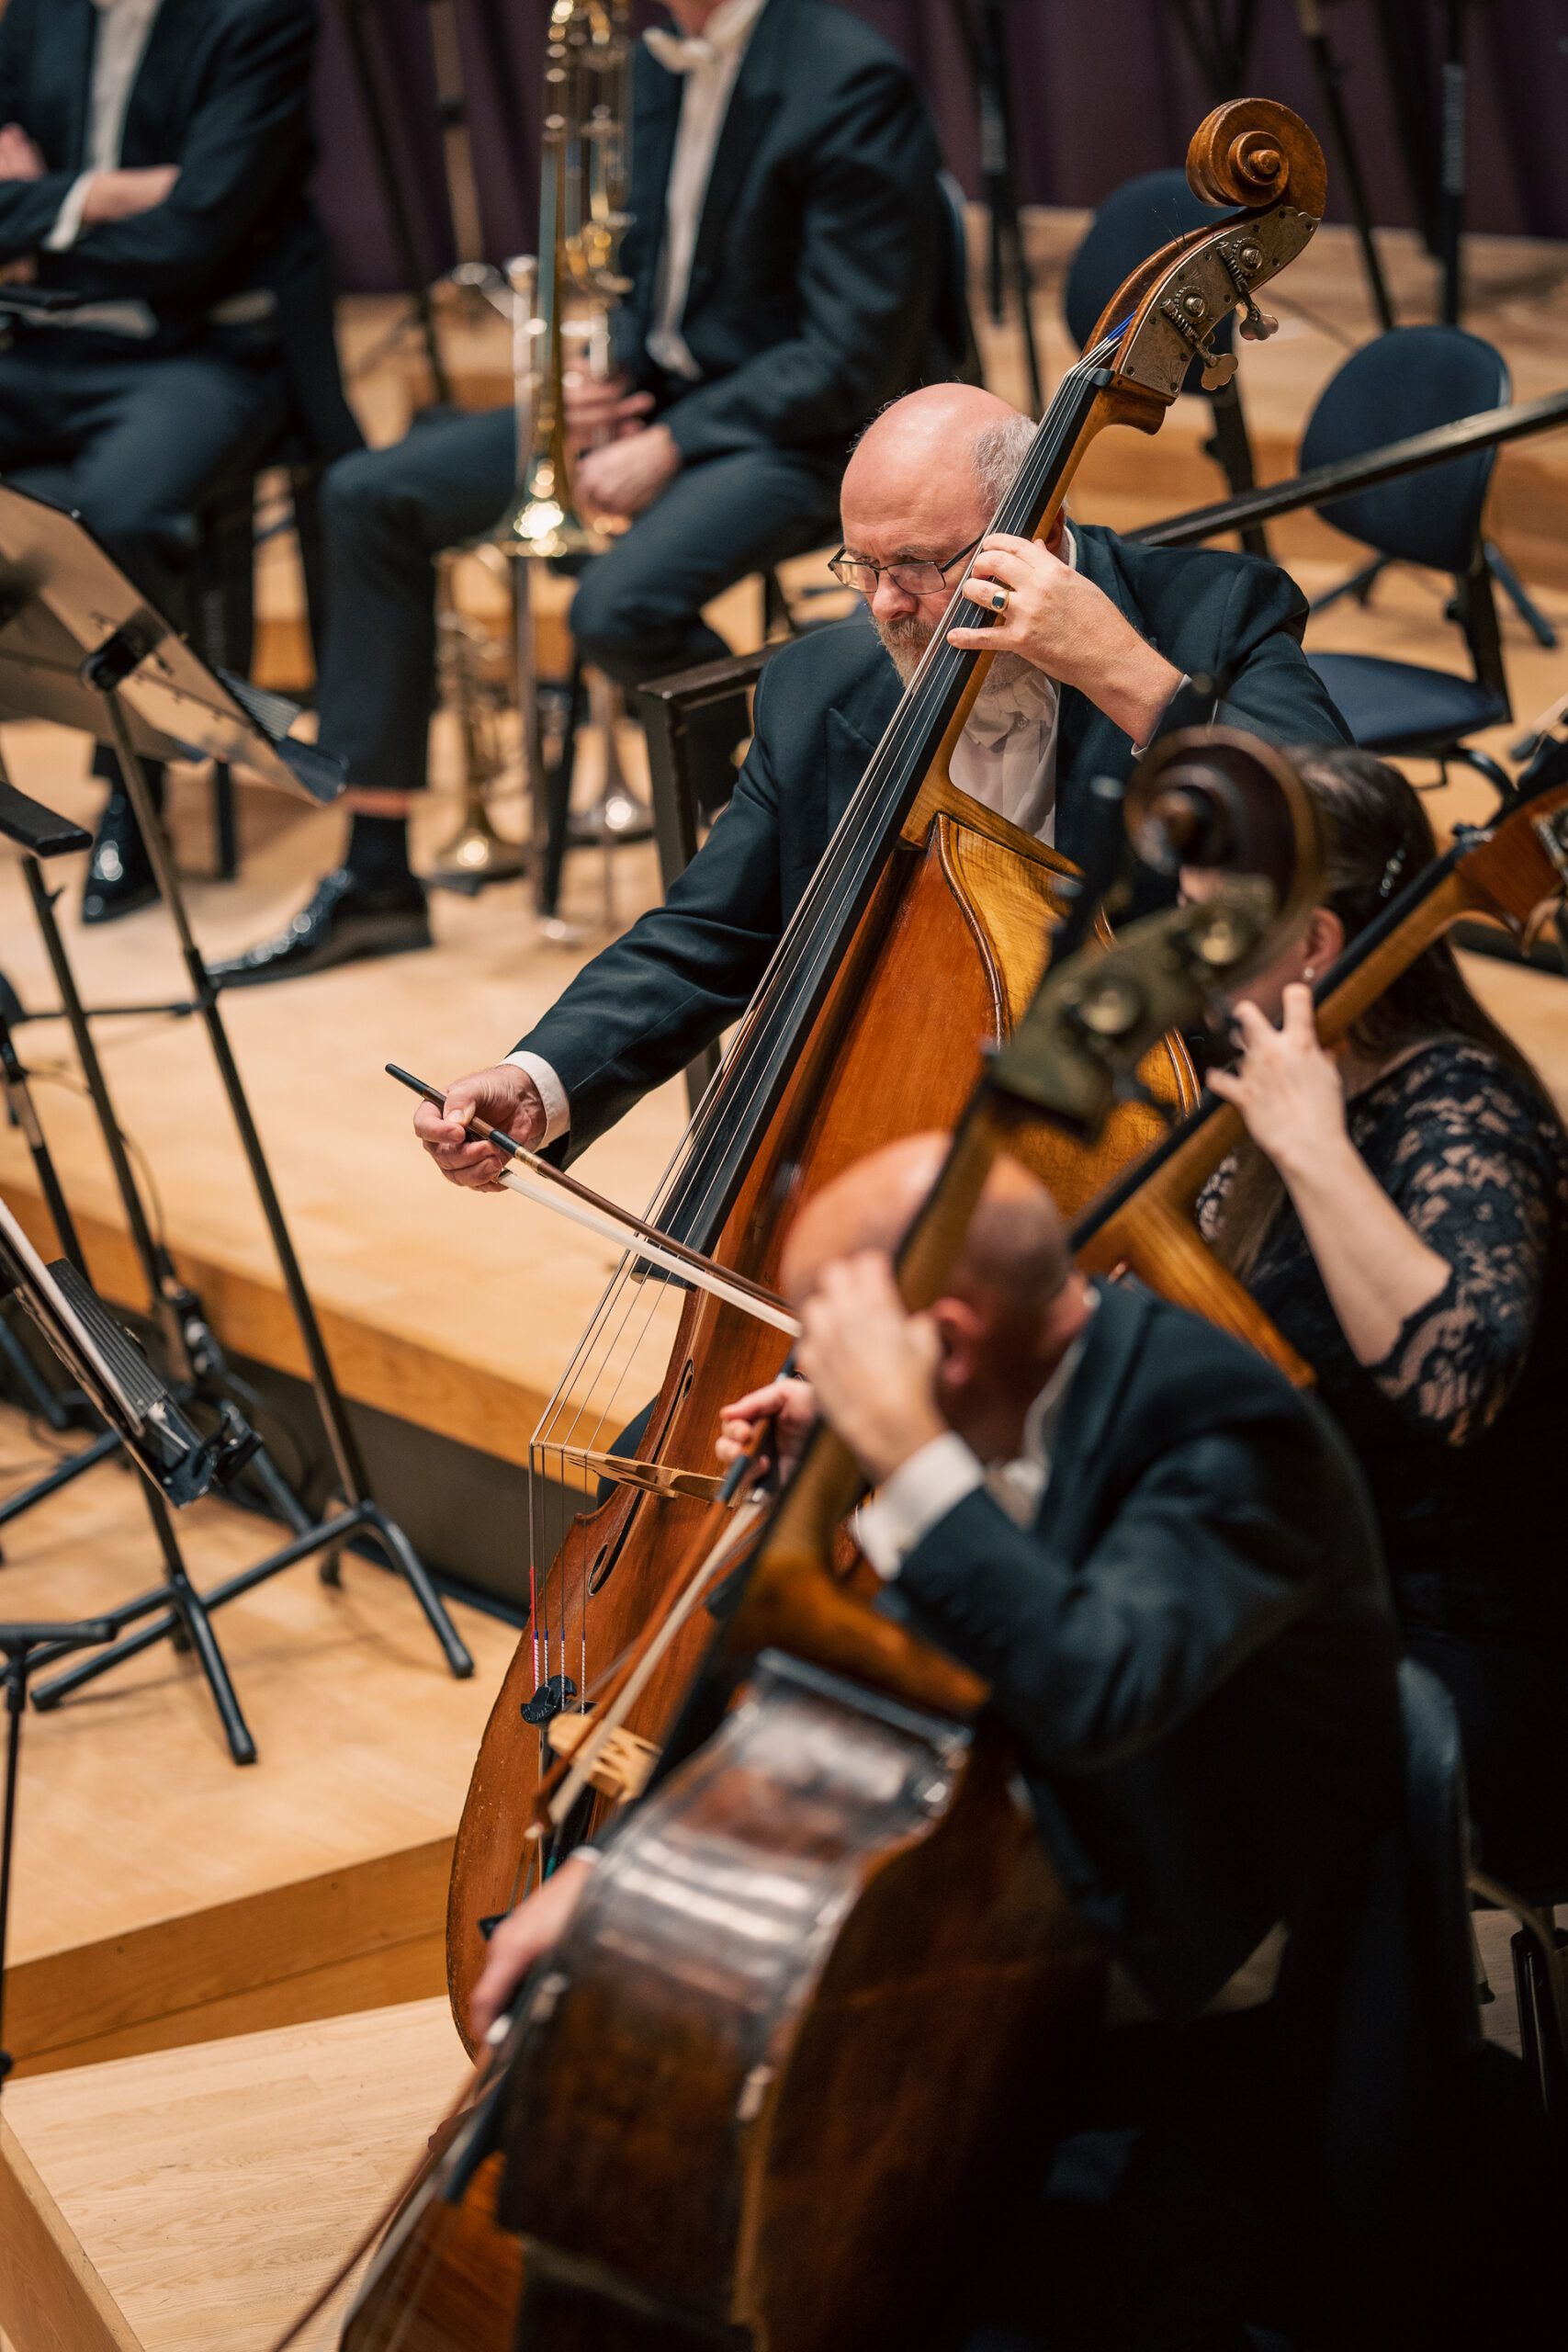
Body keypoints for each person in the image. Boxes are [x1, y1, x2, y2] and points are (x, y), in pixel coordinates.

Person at [475, 1135, 1423, 2347]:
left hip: (1181, 2026)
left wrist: (912, 1455)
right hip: (1008, 1908)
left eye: (836, 1346)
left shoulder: (1224, 1431)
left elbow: (1090, 1685)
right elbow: (797, 1670)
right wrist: (622, 1873)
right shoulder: (1012, 1389)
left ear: (950, 1342)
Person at [412, 381, 1349, 1182]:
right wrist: (538, 1080)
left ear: (1037, 525)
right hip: (903, 1120)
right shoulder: (816, 684)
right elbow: (711, 930)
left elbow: (1340, 833)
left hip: (1161, 1119)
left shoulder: (1210, 616)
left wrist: (1129, 679)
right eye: (861, 563)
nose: (885, 605)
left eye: (916, 565)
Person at [213, 0, 964, 986]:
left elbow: (853, 350)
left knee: (623, 605)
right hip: (665, 402)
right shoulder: (651, 68)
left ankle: (781, 856)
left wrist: (670, 441)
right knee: (370, 493)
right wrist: (593, 379)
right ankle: (377, 878)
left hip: (820, 431)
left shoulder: (847, 76)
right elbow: (635, 261)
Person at [1195, 745, 1568, 1891]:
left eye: (1211, 933)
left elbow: (1454, 1379)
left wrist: (1311, 1151)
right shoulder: (1262, 1074)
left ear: (1315, 946)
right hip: (1302, 1586)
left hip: (1456, 1643)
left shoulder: (1462, 1114)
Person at [0, 0, 358, 922]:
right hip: (39, 344)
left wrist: (36, 228)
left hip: (201, 349)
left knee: (115, 514)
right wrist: (102, 196)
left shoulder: (256, 17)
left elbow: (199, 229)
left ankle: (135, 785)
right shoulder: (37, 16)